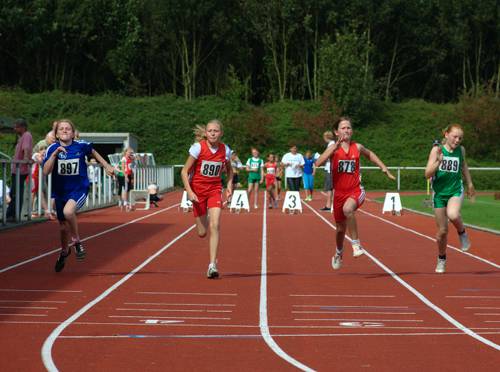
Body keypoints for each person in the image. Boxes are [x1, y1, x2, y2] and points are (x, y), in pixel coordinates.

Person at [316, 117, 395, 270]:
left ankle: (356, 244)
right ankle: (338, 252)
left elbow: (370, 154)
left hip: (355, 190)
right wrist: (333, 148)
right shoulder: (333, 149)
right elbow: (318, 163)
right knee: (340, 229)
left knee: (348, 209)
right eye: (343, 128)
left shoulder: (357, 147)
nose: (347, 130)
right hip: (339, 194)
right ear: (336, 131)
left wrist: (383, 167)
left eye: (349, 128)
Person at [43, 119, 114, 272]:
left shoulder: (81, 145)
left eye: (67, 128)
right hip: (60, 192)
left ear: (73, 132)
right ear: (56, 133)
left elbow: (93, 151)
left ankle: (76, 241)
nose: (64, 130)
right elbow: (45, 171)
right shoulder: (52, 149)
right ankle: (64, 251)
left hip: (79, 189)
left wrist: (106, 165)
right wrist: (54, 155)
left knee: (68, 212)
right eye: (61, 129)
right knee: (62, 228)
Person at [180, 120, 233, 279]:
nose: (212, 133)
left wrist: (229, 187)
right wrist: (189, 191)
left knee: (215, 224)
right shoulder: (198, 148)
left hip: (215, 190)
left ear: (221, 133)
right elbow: (184, 171)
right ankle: (205, 216)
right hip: (197, 193)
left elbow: (230, 172)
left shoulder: (225, 150)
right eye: (210, 130)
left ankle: (212, 265)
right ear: (206, 133)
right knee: (202, 233)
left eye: (216, 131)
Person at [424, 124, 475, 274]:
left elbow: (464, 165)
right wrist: (439, 161)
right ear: (446, 135)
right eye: (455, 136)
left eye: (460, 138)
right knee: (442, 231)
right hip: (439, 194)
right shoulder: (437, 150)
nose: (458, 140)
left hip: (455, 190)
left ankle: (462, 232)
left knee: (453, 214)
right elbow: (427, 174)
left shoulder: (461, 150)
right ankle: (441, 259)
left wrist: (470, 183)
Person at [6, 119, 33, 221]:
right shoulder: (23, 136)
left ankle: (12, 215)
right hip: (17, 168)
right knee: (15, 191)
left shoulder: (26, 135)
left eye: (16, 127)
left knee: (16, 192)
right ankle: (11, 214)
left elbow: (25, 148)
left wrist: (26, 159)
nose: (14, 129)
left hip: (20, 169)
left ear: (22, 127)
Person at [320, 131, 335, 211]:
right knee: (330, 188)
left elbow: (328, 156)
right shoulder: (332, 144)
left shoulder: (331, 144)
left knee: (330, 188)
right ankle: (329, 205)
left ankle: (330, 205)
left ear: (326, 137)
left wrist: (320, 158)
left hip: (330, 169)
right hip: (329, 168)